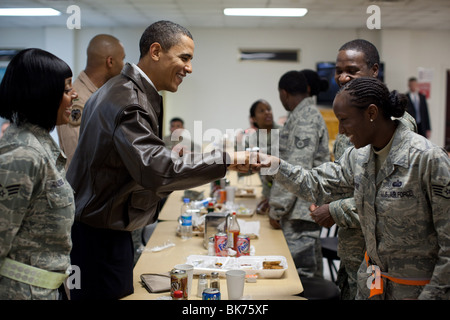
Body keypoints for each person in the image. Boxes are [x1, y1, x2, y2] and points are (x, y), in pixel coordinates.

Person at [66, 20, 246, 300]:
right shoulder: (129, 99)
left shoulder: (122, 89)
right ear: (156, 51)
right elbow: (156, 170)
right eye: (184, 58)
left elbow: (138, 159)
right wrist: (227, 159)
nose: (189, 68)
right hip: (99, 237)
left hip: (100, 228)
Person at [257, 77, 450, 300]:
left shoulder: (427, 159)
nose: (340, 130)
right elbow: (315, 183)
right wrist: (270, 163)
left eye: (344, 120)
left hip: (416, 292)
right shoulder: (359, 157)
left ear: (371, 113)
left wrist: (434, 295)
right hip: (372, 288)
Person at [311, 39, 418, 300]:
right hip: (351, 250)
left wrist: (335, 210)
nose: (342, 76)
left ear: (374, 71)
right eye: (338, 70)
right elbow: (350, 178)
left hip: (380, 261)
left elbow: (389, 199)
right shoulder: (352, 116)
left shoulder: (394, 124)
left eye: (352, 69)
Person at [0, 48, 78, 299]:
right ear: (43, 94)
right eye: (67, 90)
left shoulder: (41, 145)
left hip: (44, 288)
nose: (74, 95)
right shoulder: (23, 154)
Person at [268, 70, 330, 279]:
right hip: (302, 207)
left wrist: (277, 208)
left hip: (300, 209)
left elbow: (296, 167)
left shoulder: (305, 119)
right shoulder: (303, 115)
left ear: (284, 93)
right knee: (311, 270)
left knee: (300, 277)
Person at [56, 34, 125, 169]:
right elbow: (77, 157)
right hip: (84, 188)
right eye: (122, 59)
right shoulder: (78, 100)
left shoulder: (101, 95)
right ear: (110, 62)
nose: (124, 66)